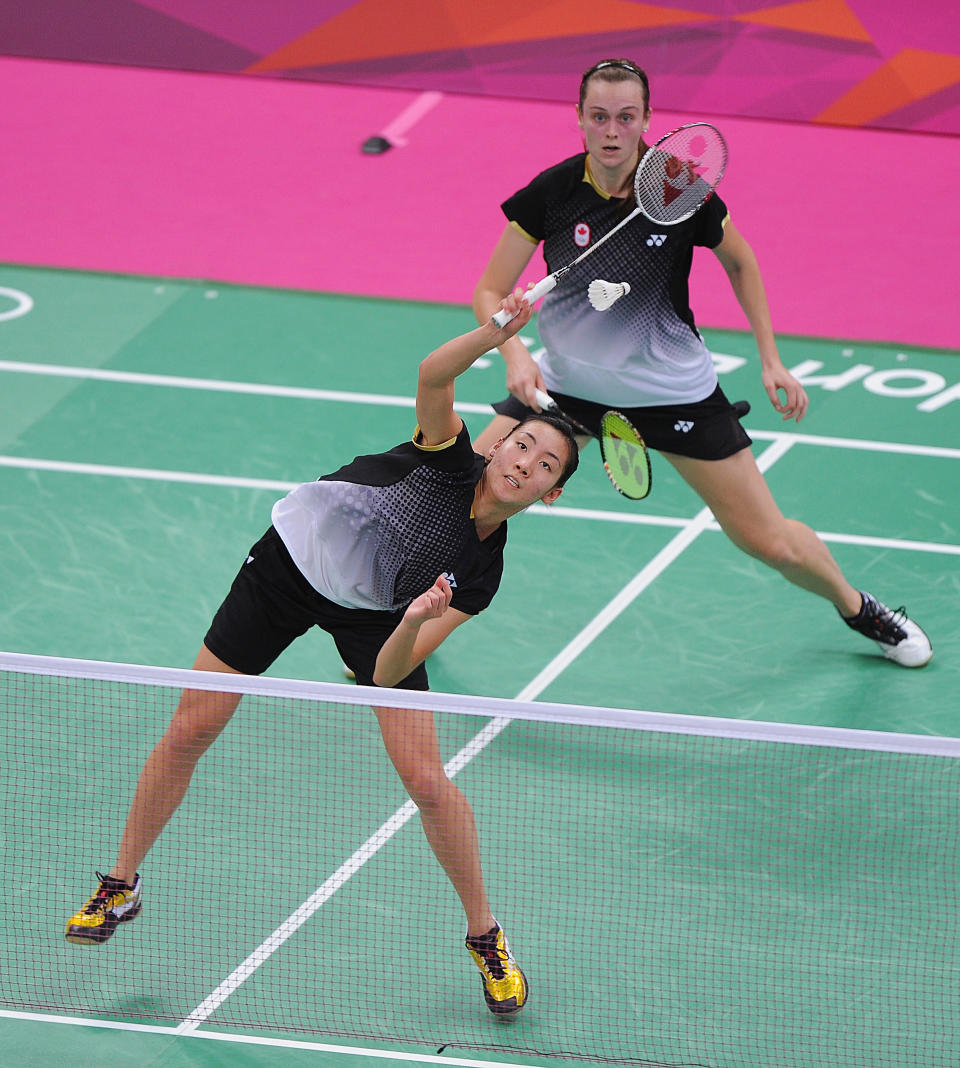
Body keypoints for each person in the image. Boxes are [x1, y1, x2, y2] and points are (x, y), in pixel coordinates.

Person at [64, 290, 580, 1017]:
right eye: (523, 443)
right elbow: (435, 376)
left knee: (428, 783)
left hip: (382, 621)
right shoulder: (447, 459)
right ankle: (120, 884)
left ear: (552, 494)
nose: (527, 461)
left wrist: (414, 619)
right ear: (501, 445)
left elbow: (390, 672)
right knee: (191, 727)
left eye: (547, 464)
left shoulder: (482, 574)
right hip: (288, 570)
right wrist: (496, 333)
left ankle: (486, 936)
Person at [472, 58, 931, 669]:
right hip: (565, 389)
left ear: (646, 122)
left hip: (672, 393)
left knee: (769, 542)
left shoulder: (677, 187)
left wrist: (771, 359)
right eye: (600, 117)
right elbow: (488, 291)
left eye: (626, 118)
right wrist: (514, 351)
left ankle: (859, 607)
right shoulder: (552, 193)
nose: (612, 131)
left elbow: (741, 262)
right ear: (579, 119)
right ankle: (398, 625)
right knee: (465, 488)